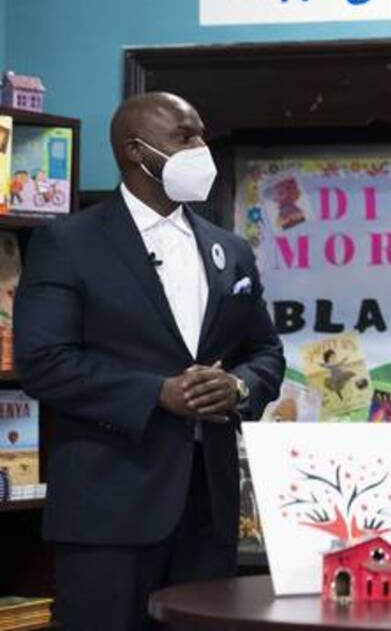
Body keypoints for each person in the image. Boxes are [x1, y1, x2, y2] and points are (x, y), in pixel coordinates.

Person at [14, 92, 284, 630]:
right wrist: (154, 393)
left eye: (202, 134)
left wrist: (239, 387)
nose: (201, 148)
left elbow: (265, 352)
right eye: (185, 137)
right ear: (136, 152)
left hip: (209, 515)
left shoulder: (228, 249)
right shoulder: (66, 243)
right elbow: (42, 360)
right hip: (106, 519)